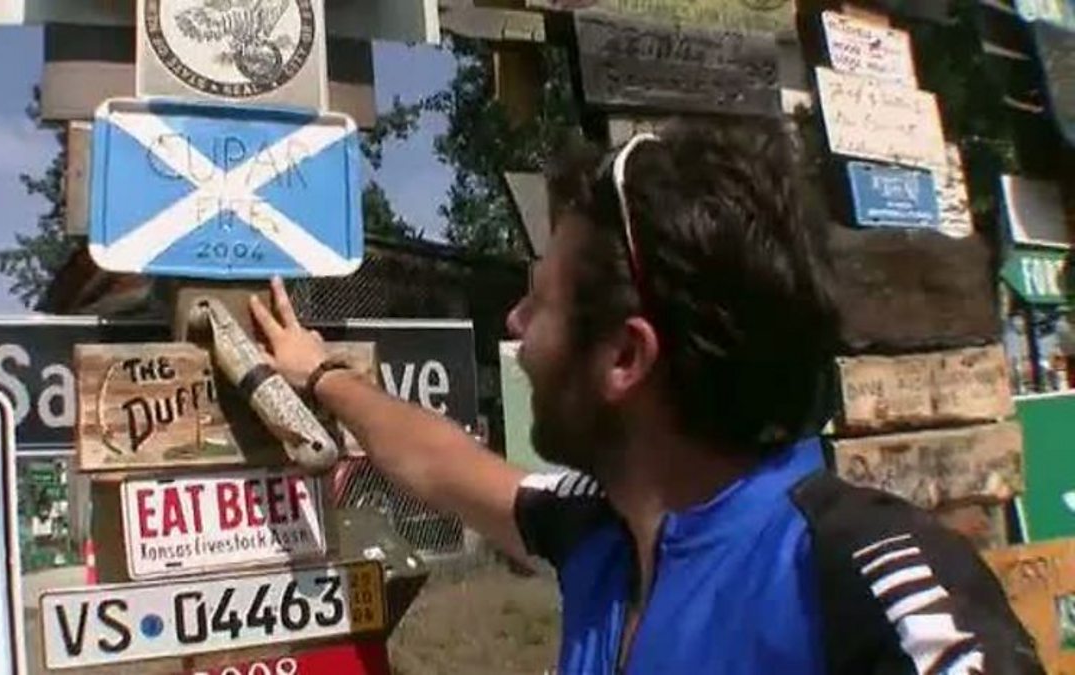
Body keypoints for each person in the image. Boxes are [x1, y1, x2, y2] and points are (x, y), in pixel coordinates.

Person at [250, 117, 1042, 674]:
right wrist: (321, 373)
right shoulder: (598, 526)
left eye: (541, 302)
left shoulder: (858, 577)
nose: (517, 323)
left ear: (625, 356)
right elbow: (444, 461)